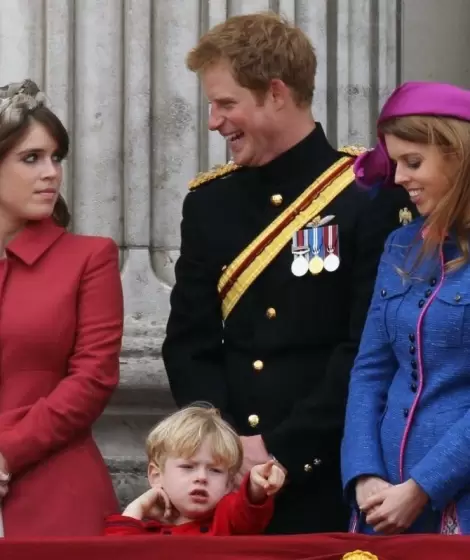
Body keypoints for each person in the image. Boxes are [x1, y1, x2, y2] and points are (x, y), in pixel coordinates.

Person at [162, 12, 415, 534]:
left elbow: (368, 348)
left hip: (328, 474)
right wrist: (224, 448)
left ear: (276, 93)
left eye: (226, 103)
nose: (214, 121)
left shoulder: (368, 195)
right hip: (226, 486)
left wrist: (281, 451)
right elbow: (190, 343)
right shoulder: (209, 203)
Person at [342, 81, 470, 536]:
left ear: (459, 157)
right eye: (395, 162)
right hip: (382, 502)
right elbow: (371, 370)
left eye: (413, 162)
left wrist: (422, 487)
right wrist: (363, 472)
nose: (397, 178)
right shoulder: (400, 245)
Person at [0, 79, 123, 537]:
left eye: (56, 157)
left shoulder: (89, 257)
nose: (52, 172)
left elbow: (92, 380)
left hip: (55, 495)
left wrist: (7, 451)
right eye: (31, 158)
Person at [104, 405, 285, 536]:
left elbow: (247, 511)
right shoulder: (148, 534)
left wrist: (256, 485)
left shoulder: (227, 522)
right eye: (188, 467)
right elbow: (116, 552)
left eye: (215, 470)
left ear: (229, 483)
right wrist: (138, 507)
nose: (201, 477)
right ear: (156, 475)